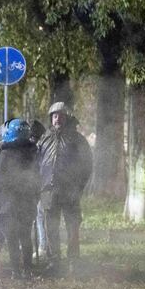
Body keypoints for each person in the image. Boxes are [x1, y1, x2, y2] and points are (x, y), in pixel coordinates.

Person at [36, 102, 92, 271]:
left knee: (72, 227)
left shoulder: (77, 139)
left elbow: (87, 165)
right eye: (54, 115)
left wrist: (79, 187)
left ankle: (73, 261)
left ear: (66, 117)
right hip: (49, 192)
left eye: (60, 115)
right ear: (50, 118)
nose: (57, 118)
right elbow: (36, 162)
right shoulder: (44, 139)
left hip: (70, 192)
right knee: (50, 227)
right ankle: (54, 261)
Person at [0, 119, 39, 279]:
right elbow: (38, 179)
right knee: (25, 237)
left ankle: (16, 271)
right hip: (27, 204)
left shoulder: (5, 154)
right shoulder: (33, 152)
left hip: (8, 205)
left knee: (11, 238)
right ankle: (27, 269)